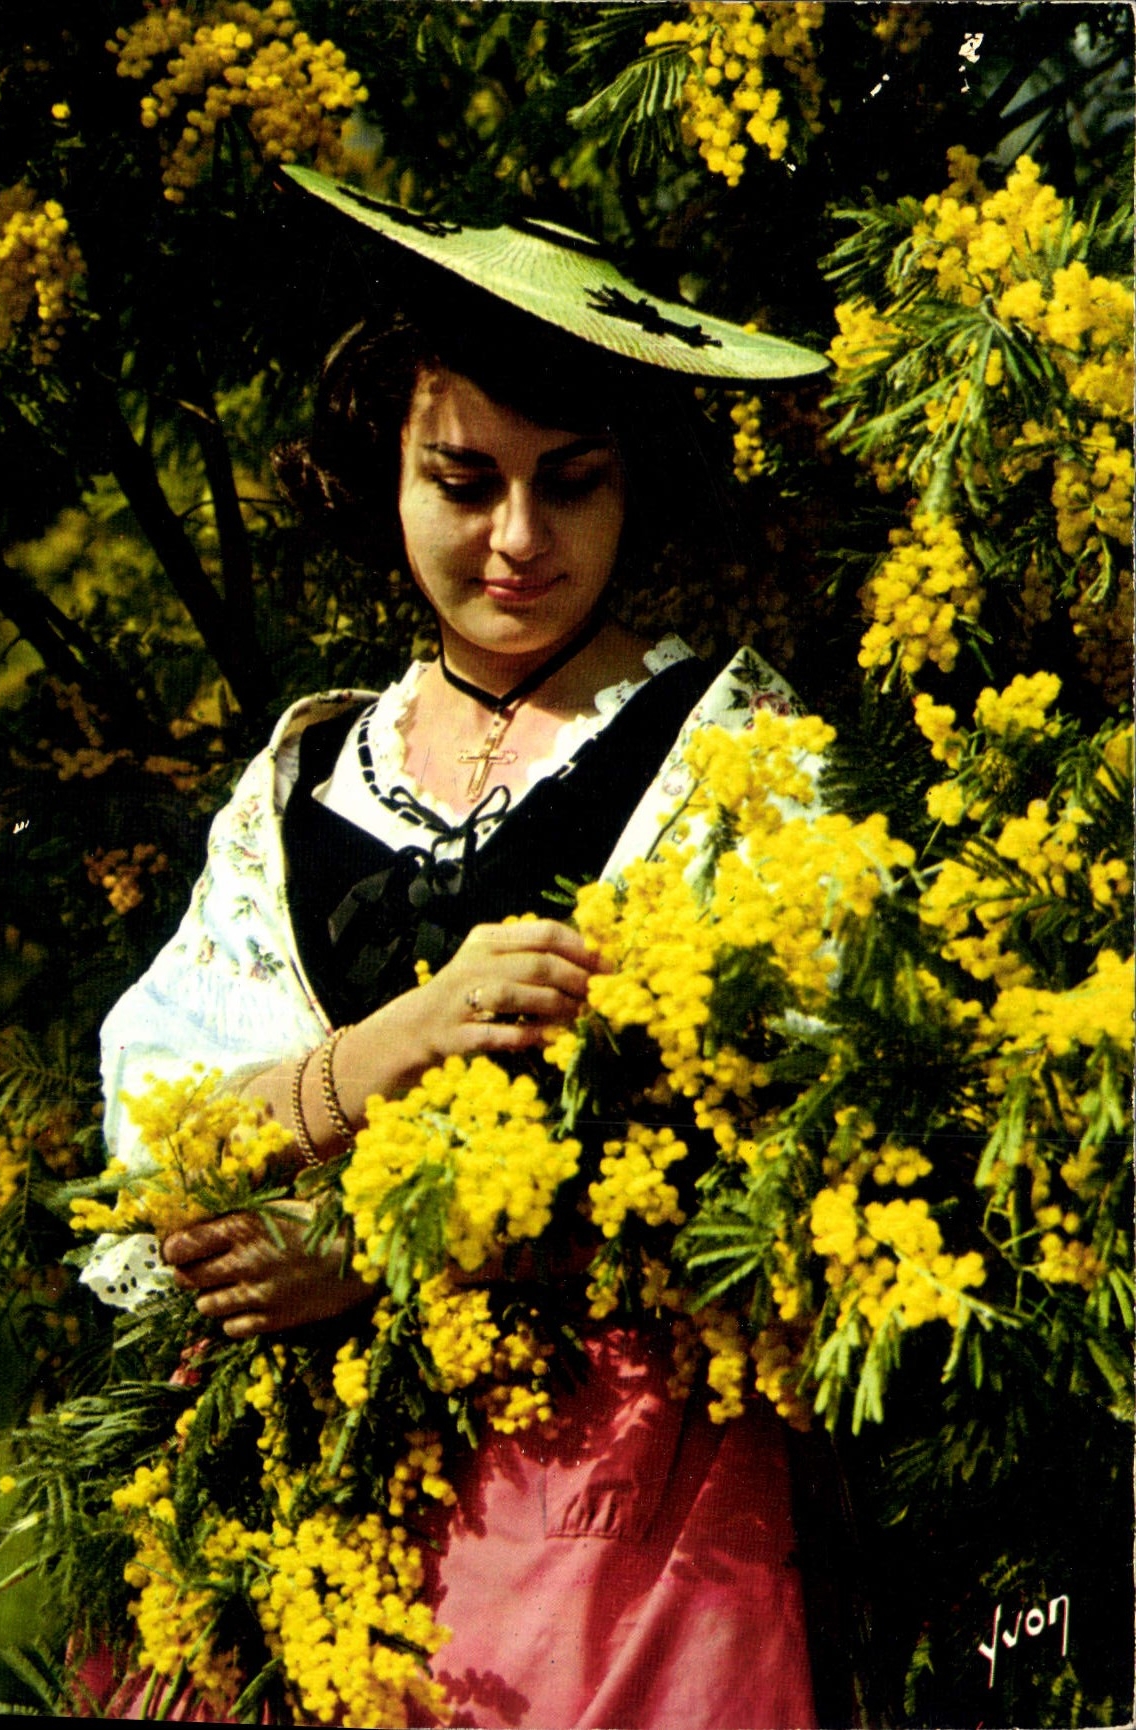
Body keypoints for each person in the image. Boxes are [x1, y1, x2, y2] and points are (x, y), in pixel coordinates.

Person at [92, 173, 827, 1729]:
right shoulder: (304, 780)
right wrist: (391, 1044)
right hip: (298, 1500)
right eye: (463, 478)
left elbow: (788, 1157)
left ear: (640, 487)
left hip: (619, 1496)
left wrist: (368, 1258)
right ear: (387, 471)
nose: (515, 540)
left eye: (570, 482)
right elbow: (160, 1135)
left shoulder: (728, 753)